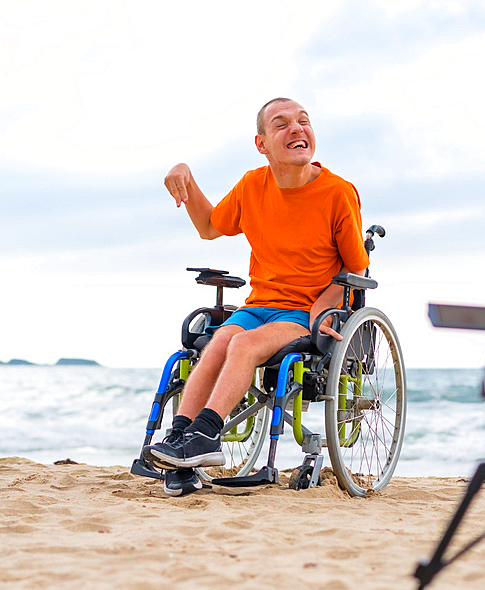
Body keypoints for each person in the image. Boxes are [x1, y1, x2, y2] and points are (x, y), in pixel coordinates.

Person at [145, 97, 369, 495]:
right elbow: (209, 227)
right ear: (262, 143)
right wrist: (186, 175)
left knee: (244, 343)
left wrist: (322, 307)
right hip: (259, 304)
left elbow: (356, 271)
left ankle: (208, 435)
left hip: (303, 310)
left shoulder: (337, 193)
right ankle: (181, 440)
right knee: (219, 342)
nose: (297, 128)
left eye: (304, 121)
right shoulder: (253, 185)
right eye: (281, 124)